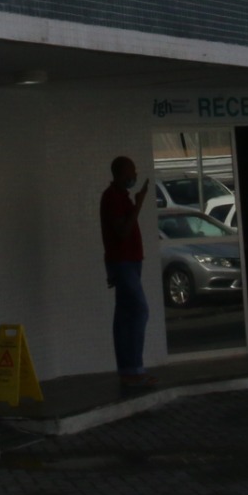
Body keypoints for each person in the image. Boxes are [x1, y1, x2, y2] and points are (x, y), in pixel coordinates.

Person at [101, 156, 154, 387]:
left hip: (128, 262)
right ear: (123, 173)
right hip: (123, 262)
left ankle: (128, 370)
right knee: (139, 311)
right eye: (132, 171)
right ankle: (133, 369)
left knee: (125, 314)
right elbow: (122, 231)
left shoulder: (121, 196)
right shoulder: (112, 197)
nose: (135, 175)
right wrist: (139, 203)